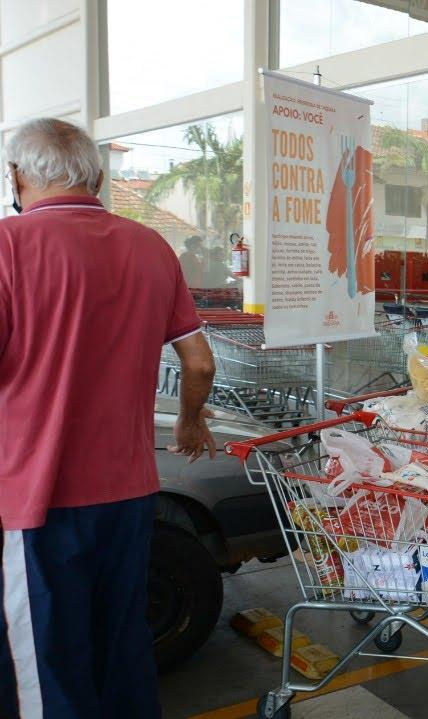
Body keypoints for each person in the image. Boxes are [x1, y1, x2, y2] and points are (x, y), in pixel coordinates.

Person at [0, 118, 217, 718]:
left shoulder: (7, 246)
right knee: (120, 644)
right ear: (94, 177)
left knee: (46, 660)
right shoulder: (152, 247)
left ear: (17, 177)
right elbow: (198, 364)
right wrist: (189, 422)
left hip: (36, 496)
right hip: (129, 491)